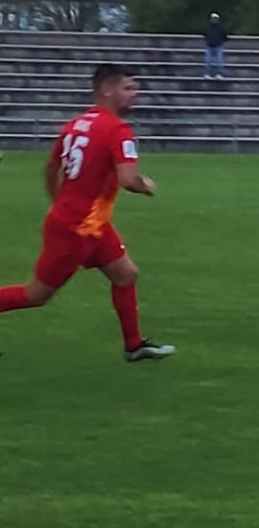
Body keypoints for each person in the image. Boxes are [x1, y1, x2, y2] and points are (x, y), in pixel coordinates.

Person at [0, 64, 174, 361]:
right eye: (128, 88)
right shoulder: (118, 130)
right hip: (77, 229)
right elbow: (128, 179)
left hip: (87, 222)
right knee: (36, 294)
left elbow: (51, 169)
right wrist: (145, 185)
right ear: (106, 89)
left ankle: (134, 346)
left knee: (125, 275)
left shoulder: (76, 125)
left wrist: (60, 202)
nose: (135, 94)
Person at [202, 12, 229, 80]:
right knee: (208, 61)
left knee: (220, 61)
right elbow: (205, 35)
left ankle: (220, 74)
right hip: (210, 46)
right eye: (213, 18)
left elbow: (225, 36)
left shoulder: (220, 28)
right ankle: (207, 74)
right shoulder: (208, 28)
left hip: (218, 47)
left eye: (215, 19)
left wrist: (220, 41)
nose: (214, 20)